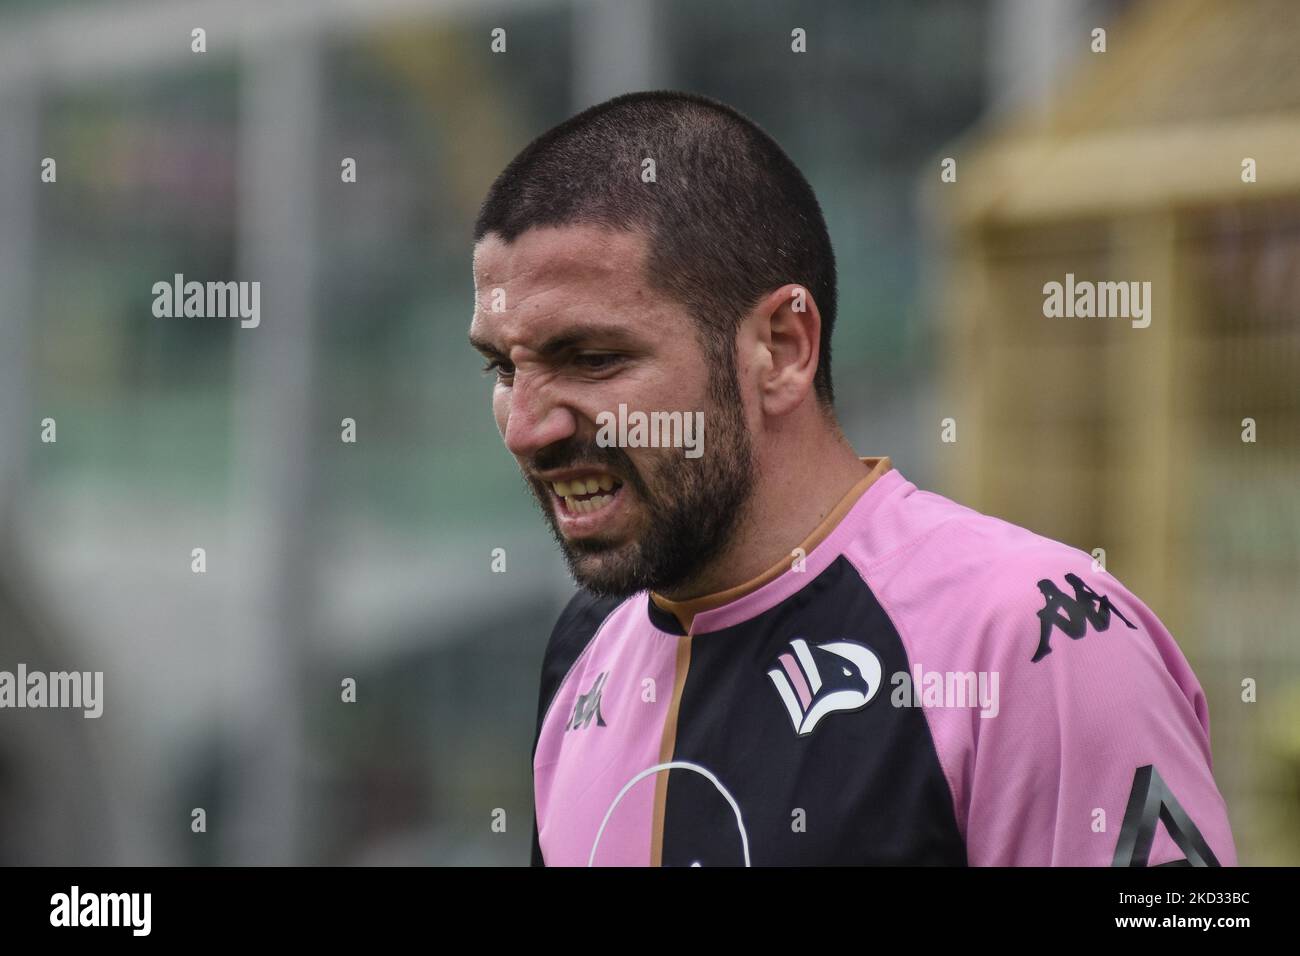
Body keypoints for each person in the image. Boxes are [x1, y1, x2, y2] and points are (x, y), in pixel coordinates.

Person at [467, 90, 1236, 866]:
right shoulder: (588, 646)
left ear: (783, 346)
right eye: (503, 367)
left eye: (593, 359)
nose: (528, 428)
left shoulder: (1035, 638)